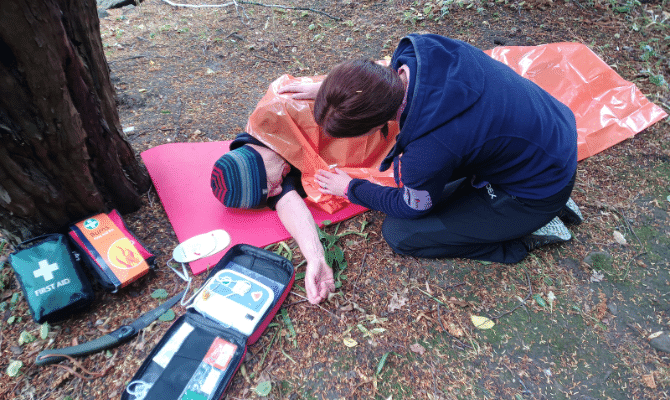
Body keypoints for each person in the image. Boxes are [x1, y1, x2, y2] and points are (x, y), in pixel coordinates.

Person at [279, 33, 583, 264]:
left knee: (401, 233)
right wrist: (334, 92)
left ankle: (526, 234)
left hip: (535, 190)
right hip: (553, 135)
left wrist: (351, 188)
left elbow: (412, 206)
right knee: (434, 176)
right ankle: (528, 209)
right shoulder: (419, 49)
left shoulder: (427, 151)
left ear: (374, 127)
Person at [211, 133, 335, 304]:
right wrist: (316, 258)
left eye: (271, 185)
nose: (277, 191)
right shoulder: (274, 175)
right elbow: (288, 204)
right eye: (270, 194)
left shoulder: (274, 125)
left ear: (262, 164)